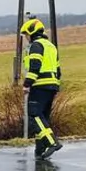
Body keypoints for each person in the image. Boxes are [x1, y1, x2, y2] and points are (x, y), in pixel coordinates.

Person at [21, 16, 63, 159]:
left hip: (39, 86)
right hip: (52, 86)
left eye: (26, 34)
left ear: (31, 33)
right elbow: (58, 70)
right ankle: (40, 149)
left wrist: (27, 84)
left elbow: (34, 67)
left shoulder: (36, 46)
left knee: (34, 115)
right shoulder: (51, 46)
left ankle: (52, 142)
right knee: (43, 117)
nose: (26, 38)